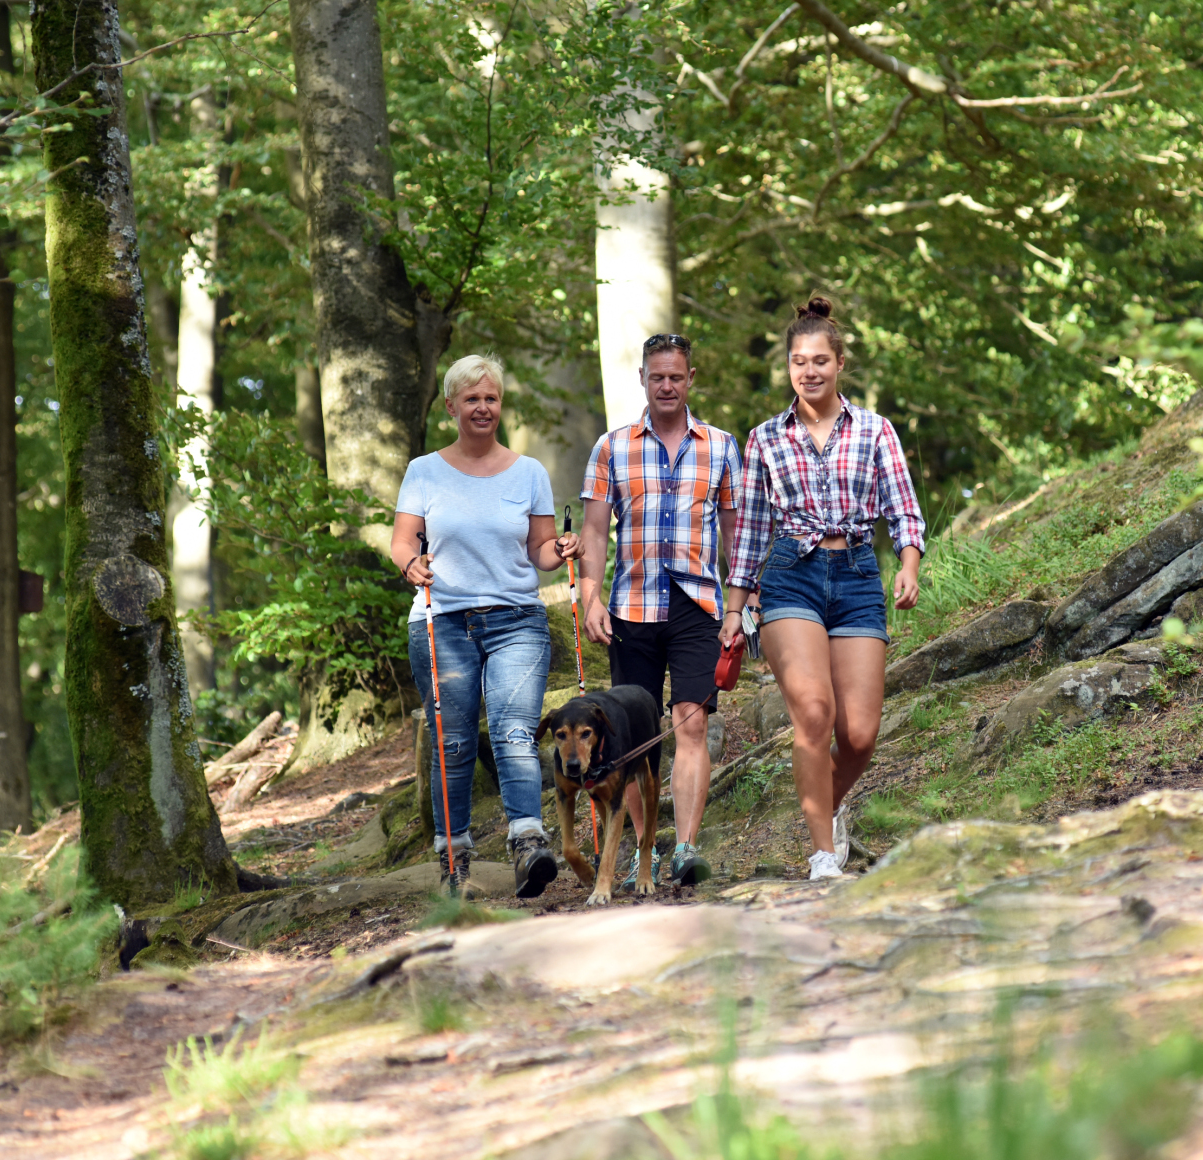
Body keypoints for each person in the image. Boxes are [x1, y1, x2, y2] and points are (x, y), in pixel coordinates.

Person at [721, 295, 924, 881]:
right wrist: (735, 612)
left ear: (839, 364)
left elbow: (904, 511)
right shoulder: (763, 438)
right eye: (796, 362)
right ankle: (820, 856)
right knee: (813, 712)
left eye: (818, 361)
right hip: (790, 577)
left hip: (859, 575)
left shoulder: (876, 431)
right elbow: (753, 532)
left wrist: (907, 565)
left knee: (859, 734)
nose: (807, 371)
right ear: (788, 367)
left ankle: (825, 806)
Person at [391, 353, 583, 899]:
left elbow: (541, 552)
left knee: (514, 733)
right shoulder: (424, 470)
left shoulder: (529, 473)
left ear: (501, 404)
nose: (483, 407)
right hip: (441, 621)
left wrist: (563, 549)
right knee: (451, 741)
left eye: (491, 398)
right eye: (472, 398)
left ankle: (527, 844)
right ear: (451, 406)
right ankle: (456, 861)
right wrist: (411, 564)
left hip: (516, 618)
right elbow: (403, 540)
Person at [577, 333, 743, 889]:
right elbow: (596, 528)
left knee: (689, 725)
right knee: (633, 741)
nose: (667, 385)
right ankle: (642, 854)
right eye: (657, 377)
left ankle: (687, 847)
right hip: (632, 605)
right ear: (643, 380)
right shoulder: (612, 446)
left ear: (691, 379)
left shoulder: (721, 445)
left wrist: (742, 602)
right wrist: (589, 594)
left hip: (698, 605)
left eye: (676, 376)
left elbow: (734, 530)